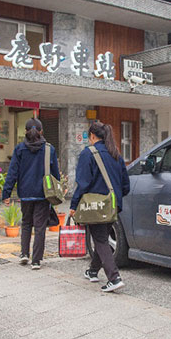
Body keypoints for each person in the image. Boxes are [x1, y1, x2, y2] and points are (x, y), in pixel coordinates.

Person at [69, 121, 130, 293]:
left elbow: (82, 184)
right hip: (112, 205)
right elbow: (126, 185)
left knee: (100, 239)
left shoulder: (88, 154)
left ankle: (114, 277)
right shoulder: (116, 154)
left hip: (95, 206)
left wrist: (74, 205)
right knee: (101, 237)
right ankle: (93, 271)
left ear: (92, 136)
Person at [2, 118, 60, 270]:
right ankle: (36, 261)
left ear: (25, 132)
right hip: (43, 194)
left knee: (26, 223)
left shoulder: (20, 149)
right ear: (41, 131)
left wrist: (6, 193)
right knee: (40, 227)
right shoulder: (49, 149)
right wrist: (58, 190)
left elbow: (12, 173)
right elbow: (55, 175)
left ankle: (24, 254)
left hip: (25, 193)